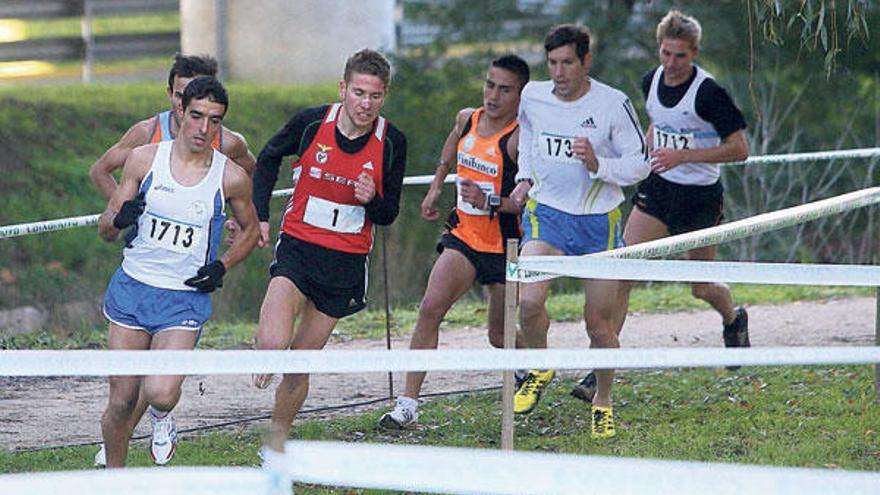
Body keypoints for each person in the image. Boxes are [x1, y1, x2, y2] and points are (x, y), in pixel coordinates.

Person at [570, 10, 752, 401]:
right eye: (666, 54)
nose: (671, 64)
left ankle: (734, 319)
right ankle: (600, 366)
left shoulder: (709, 93)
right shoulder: (650, 80)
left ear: (695, 54)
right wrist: (646, 150)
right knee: (623, 275)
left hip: (700, 197)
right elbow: (658, 123)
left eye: (680, 57)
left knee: (701, 287)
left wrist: (684, 157)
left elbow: (740, 150)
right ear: (659, 50)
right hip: (659, 189)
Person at [90, 53, 256, 467]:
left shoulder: (230, 175)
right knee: (122, 399)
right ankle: (116, 480)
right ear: (179, 110)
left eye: (214, 120)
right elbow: (106, 230)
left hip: (183, 297)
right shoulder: (145, 158)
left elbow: (251, 229)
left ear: (222, 122)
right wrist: (120, 216)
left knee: (161, 390)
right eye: (197, 115)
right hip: (134, 287)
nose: (203, 128)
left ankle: (163, 416)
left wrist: (223, 265)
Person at [250, 49, 407, 442]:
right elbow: (268, 156)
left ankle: (277, 443)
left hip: (345, 264)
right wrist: (260, 216)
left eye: (374, 96)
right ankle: (264, 346)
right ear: (343, 89)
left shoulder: (392, 142)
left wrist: (372, 198)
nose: (365, 104)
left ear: (384, 95)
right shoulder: (311, 123)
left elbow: (388, 215)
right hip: (299, 248)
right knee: (272, 343)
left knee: (300, 362)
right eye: (358, 93)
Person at [508, 24, 649, 439]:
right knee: (529, 303)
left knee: (598, 326)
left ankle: (602, 399)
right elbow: (530, 136)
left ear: (586, 61)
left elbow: (640, 164)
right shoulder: (533, 96)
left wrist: (598, 166)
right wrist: (524, 177)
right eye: (552, 63)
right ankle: (540, 364)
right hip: (547, 215)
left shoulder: (612, 104)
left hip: (596, 224)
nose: (559, 72)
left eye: (568, 62)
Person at [377, 55, 530, 429]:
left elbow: (523, 201)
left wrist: (489, 201)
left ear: (521, 94)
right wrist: (434, 187)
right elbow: (452, 147)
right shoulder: (467, 118)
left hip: (504, 243)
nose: (493, 95)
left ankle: (536, 366)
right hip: (464, 234)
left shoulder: (519, 139)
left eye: (504, 89)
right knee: (430, 308)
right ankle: (408, 406)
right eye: (490, 84)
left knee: (498, 335)